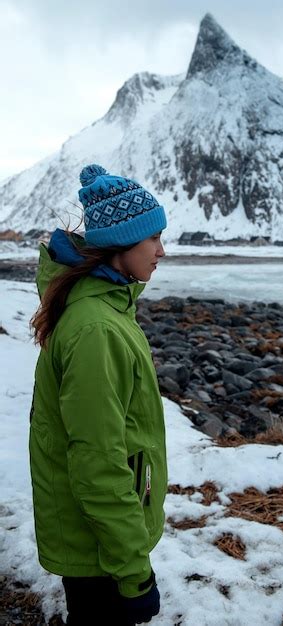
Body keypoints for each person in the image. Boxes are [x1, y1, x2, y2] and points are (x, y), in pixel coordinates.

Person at [29, 164, 168, 625]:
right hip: (100, 548)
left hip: (97, 538)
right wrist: (133, 572)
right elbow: (97, 460)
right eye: (153, 239)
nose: (161, 252)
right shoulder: (96, 330)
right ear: (121, 245)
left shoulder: (105, 312)